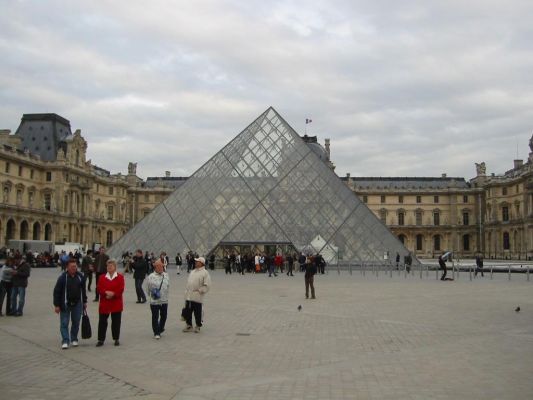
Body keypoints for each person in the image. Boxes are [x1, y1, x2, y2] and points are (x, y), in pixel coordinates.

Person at [53, 258, 88, 349]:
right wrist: (56, 305)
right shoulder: (62, 278)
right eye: (72, 266)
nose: (74, 268)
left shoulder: (80, 277)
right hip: (65, 304)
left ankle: (74, 339)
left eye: (75, 266)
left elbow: (83, 291)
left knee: (76, 322)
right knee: (64, 323)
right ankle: (65, 340)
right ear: (67, 267)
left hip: (77, 304)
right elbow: (57, 292)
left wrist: (84, 301)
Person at [96, 259, 125, 346]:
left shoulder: (120, 277)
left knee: (116, 322)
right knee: (102, 322)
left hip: (116, 302)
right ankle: (101, 340)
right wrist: (105, 293)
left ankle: (116, 339)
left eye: (111, 266)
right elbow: (99, 288)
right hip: (105, 302)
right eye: (108, 266)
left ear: (115, 267)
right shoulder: (102, 277)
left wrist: (113, 294)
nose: (109, 267)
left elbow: (121, 289)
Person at [183, 256, 211, 333]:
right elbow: (188, 282)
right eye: (196, 261)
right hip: (189, 295)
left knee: (197, 312)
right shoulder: (193, 271)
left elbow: (207, 285)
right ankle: (189, 325)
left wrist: (200, 290)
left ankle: (198, 326)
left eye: (197, 262)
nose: (195, 262)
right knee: (188, 311)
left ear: (201, 263)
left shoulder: (205, 273)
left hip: (197, 296)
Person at [147, 259, 169, 339]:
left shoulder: (166, 275)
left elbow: (168, 286)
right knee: (155, 317)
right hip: (154, 301)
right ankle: (156, 332)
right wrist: (152, 295)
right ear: (155, 267)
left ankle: (160, 328)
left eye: (162, 267)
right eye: (160, 267)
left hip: (164, 300)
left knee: (164, 316)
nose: (161, 268)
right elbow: (148, 289)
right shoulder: (151, 277)